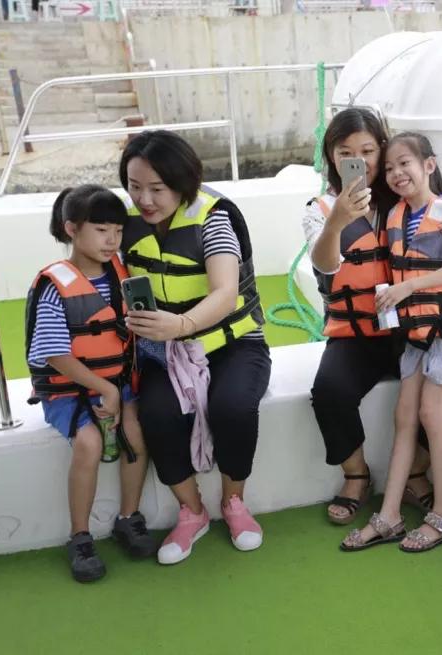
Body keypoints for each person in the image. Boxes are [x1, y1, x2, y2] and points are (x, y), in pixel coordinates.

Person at [302, 108, 442, 525]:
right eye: (346, 151)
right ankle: (356, 475)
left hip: (415, 328)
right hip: (357, 333)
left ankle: (417, 470)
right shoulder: (320, 208)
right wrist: (335, 222)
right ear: (331, 157)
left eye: (369, 150)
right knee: (329, 390)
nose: (361, 160)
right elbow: (325, 263)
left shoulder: (403, 196)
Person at [340, 132, 442, 552]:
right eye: (389, 167)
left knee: (433, 415)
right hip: (416, 332)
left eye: (404, 163)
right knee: (404, 416)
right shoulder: (393, 217)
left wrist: (408, 291)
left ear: (429, 165)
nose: (395, 173)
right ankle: (389, 515)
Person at [120, 130, 272, 565]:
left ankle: (234, 503)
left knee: (233, 407)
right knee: (157, 414)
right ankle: (192, 511)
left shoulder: (213, 218)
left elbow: (225, 292)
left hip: (234, 343)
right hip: (164, 352)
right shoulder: (125, 224)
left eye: (157, 188)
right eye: (134, 187)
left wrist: (182, 324)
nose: (145, 199)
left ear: (183, 183)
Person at [26, 184, 156, 582]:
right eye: (100, 230)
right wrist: (104, 390)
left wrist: (116, 389)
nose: (111, 240)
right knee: (89, 441)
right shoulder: (55, 285)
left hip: (119, 383)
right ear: (71, 229)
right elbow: (54, 353)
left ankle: (128, 518)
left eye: (117, 230)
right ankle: (80, 537)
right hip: (71, 390)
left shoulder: (123, 274)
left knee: (135, 430)